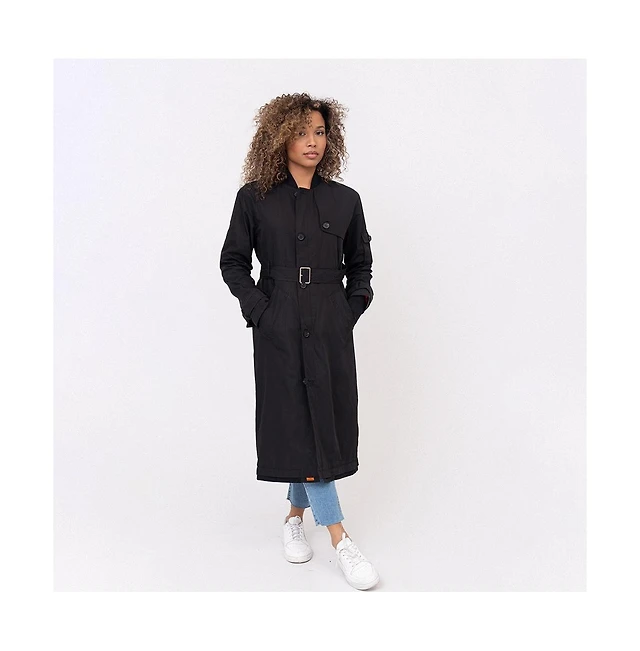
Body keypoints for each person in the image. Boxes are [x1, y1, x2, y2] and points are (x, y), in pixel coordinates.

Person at [220, 92, 379, 590]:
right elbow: (232, 262)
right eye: (302, 131)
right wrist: (261, 311)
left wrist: (348, 311)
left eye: (321, 132)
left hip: (329, 322)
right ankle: (339, 537)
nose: (313, 141)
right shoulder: (254, 198)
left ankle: (294, 517)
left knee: (320, 420)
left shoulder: (345, 200)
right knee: (296, 420)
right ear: (279, 136)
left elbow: (361, 266)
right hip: (280, 322)